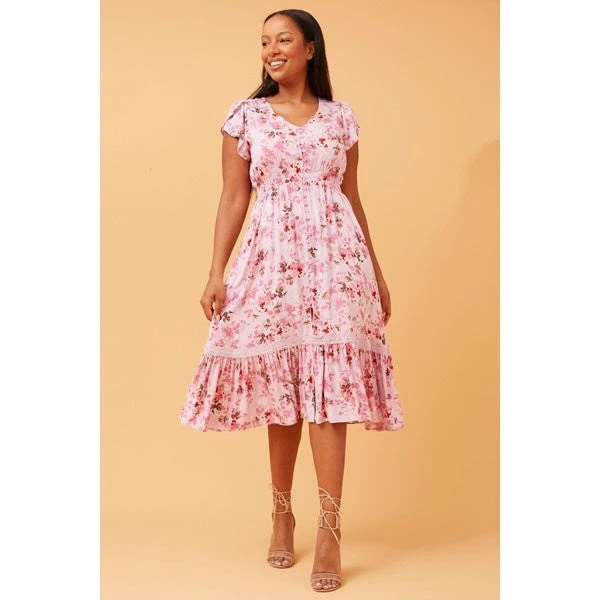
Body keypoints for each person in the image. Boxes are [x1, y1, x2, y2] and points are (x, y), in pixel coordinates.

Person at [179, 8, 405, 592]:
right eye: (264, 42)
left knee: (331, 394)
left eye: (283, 39)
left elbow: (351, 197)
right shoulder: (246, 116)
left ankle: (330, 528)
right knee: (281, 391)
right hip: (270, 260)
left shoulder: (341, 119)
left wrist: (376, 273)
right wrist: (215, 272)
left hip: (337, 264)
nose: (272, 50)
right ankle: (282, 513)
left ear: (310, 48)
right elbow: (233, 197)